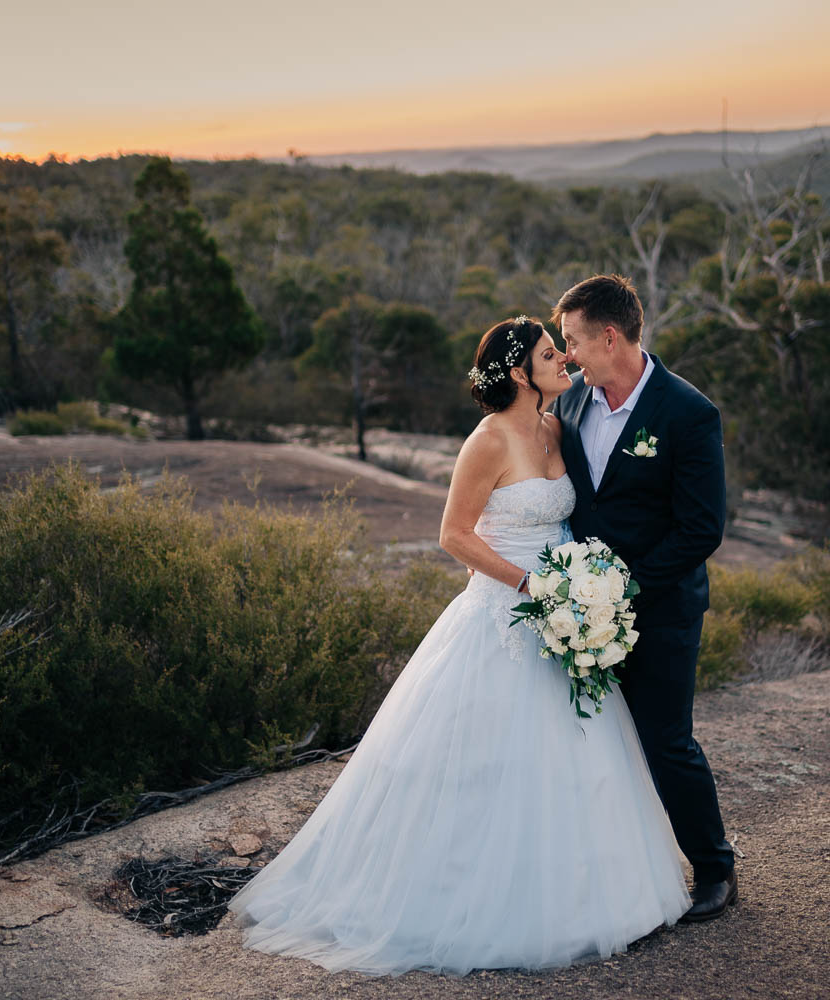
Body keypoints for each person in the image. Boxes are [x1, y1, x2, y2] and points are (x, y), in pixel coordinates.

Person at [228, 316, 690, 976]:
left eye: (562, 350)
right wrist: (536, 585)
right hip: (505, 616)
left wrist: (580, 591)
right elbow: (454, 535)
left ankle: (589, 892)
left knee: (580, 756)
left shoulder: (558, 427)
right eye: (549, 353)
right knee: (489, 764)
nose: (564, 360)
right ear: (519, 371)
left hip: (565, 620)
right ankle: (469, 901)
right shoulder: (487, 440)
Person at [549, 274, 736, 922]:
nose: (566, 354)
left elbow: (701, 528)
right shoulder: (571, 402)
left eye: (572, 340)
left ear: (609, 337)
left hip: (662, 611)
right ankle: (615, 875)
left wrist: (622, 590)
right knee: (594, 739)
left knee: (665, 741)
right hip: (584, 611)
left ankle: (715, 869)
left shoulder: (688, 413)